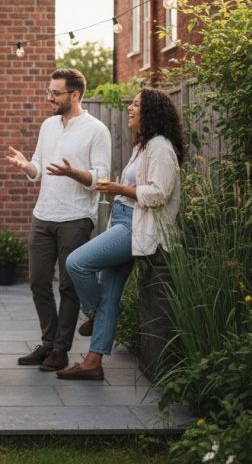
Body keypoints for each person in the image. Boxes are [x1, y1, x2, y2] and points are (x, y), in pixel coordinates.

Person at [58, 88, 185, 380]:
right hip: (124, 220)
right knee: (110, 295)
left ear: (150, 111)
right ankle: (93, 363)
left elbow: (158, 194)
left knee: (76, 263)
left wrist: (118, 189)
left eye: (136, 104)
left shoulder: (161, 147)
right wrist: (118, 192)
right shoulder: (144, 145)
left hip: (137, 226)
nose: (130, 108)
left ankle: (93, 313)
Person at [6, 69, 111, 372]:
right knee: (38, 281)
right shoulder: (48, 125)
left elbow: (101, 178)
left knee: (68, 286)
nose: (49, 97)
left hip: (76, 218)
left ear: (75, 94)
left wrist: (73, 173)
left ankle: (60, 349)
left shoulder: (96, 130)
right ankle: (48, 342)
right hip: (43, 214)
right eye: (48, 91)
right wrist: (26, 166)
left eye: (55, 93)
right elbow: (38, 168)